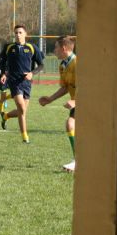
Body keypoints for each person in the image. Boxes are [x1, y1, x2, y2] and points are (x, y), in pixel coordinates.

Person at [0, 25, 45, 144]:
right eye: (15, 33)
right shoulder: (9, 47)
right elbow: (2, 61)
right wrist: (4, 74)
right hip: (14, 81)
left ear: (25, 34)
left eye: (20, 32)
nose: (17, 35)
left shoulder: (32, 47)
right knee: (21, 107)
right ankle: (25, 137)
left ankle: (6, 116)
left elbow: (41, 65)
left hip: (27, 83)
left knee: (22, 111)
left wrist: (31, 73)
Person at [39, 36, 77, 172]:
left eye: (55, 47)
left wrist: (75, 101)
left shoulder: (78, 63)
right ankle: (77, 160)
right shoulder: (63, 65)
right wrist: (50, 99)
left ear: (64, 48)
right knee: (70, 124)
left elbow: (91, 87)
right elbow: (66, 87)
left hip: (90, 102)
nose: (54, 50)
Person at [0, 44, 12, 115]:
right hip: (2, 80)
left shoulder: (13, 58)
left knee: (15, 94)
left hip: (11, 80)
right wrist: (4, 73)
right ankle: (1, 111)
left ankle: (5, 99)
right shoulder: (1, 59)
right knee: (2, 96)